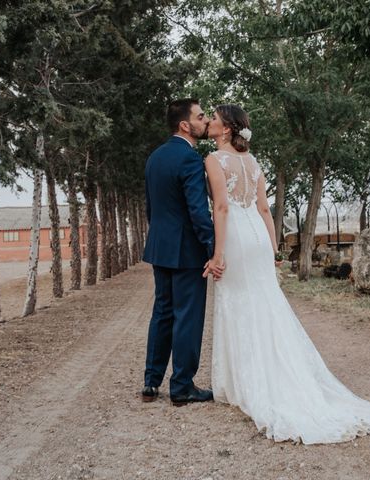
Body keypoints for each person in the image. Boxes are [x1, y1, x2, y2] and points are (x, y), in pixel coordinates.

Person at [204, 104, 370, 444]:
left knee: (238, 303)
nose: (210, 122)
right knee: (266, 304)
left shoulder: (214, 160)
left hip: (234, 237)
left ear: (227, 128)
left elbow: (221, 207)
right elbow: (265, 208)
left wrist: (218, 253)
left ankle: (245, 384)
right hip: (258, 240)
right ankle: (278, 373)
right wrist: (274, 248)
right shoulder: (253, 162)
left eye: (215, 119)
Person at [141, 98, 224, 407]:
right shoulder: (190, 159)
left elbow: (151, 208)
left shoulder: (155, 157)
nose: (205, 121)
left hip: (160, 246)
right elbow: (198, 211)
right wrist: (212, 248)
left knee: (162, 313)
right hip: (187, 250)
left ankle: (151, 382)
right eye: (201, 117)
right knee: (187, 316)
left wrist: (162, 237)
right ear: (185, 125)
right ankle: (182, 386)